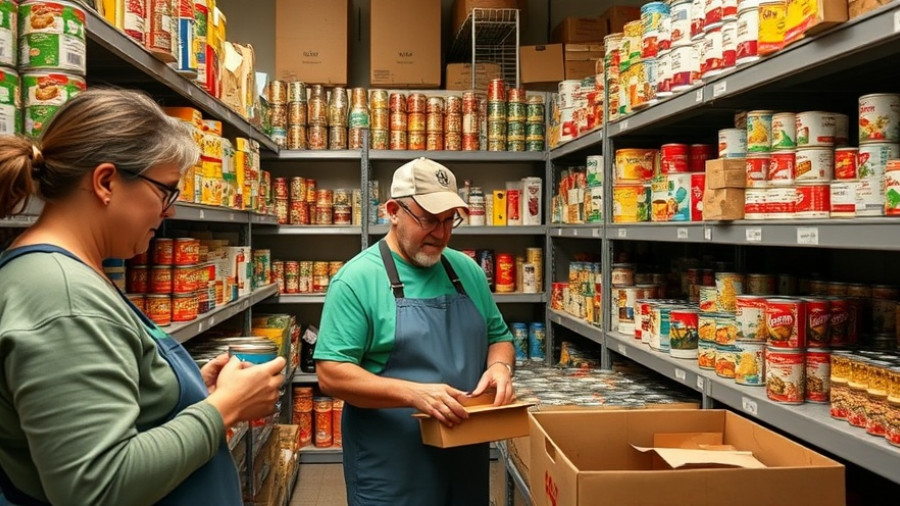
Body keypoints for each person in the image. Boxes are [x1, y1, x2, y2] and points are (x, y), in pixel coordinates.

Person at [0, 88, 285, 506]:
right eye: (165, 190)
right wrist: (223, 408)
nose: (169, 211)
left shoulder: (69, 273)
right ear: (106, 182)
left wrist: (178, 392)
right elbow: (97, 487)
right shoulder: (62, 297)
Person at [315, 157, 516, 506]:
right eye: (428, 220)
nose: (440, 233)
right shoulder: (357, 280)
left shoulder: (466, 270)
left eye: (449, 220)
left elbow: (499, 337)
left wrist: (501, 367)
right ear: (393, 211)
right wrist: (414, 394)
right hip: (393, 469)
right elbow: (331, 375)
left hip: (465, 458)